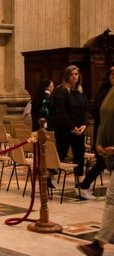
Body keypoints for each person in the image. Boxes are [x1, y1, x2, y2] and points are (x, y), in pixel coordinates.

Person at [76, 81, 114, 256]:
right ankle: (98, 244)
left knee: (112, 199)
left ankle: (98, 244)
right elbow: (103, 119)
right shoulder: (110, 92)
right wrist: (99, 143)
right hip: (109, 152)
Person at [50, 65, 92, 200]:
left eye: (77, 74)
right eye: (72, 74)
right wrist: (72, 127)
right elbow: (61, 112)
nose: (75, 76)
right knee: (60, 155)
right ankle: (47, 178)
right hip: (65, 130)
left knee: (79, 158)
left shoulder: (80, 91)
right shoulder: (61, 91)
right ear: (67, 76)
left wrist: (85, 124)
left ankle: (80, 187)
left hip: (80, 130)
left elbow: (86, 109)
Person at [78, 66, 114, 191]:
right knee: (101, 163)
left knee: (101, 164)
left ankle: (84, 185)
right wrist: (99, 141)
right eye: (112, 73)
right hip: (103, 134)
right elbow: (100, 115)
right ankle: (84, 185)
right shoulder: (105, 91)